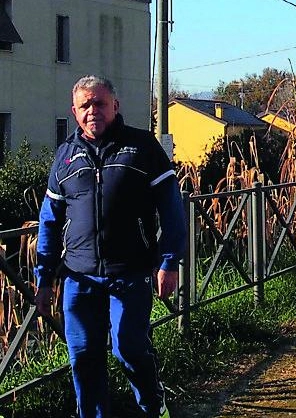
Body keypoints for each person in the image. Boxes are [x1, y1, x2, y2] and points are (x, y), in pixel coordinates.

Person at [34, 75, 185, 418]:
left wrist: (169, 261)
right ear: (74, 112)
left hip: (129, 274)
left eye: (99, 103)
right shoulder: (65, 156)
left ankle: (152, 405)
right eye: (84, 105)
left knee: (129, 347)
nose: (93, 111)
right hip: (78, 278)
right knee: (84, 357)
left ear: (115, 106)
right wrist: (44, 279)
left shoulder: (143, 147)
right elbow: (50, 220)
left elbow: (172, 210)